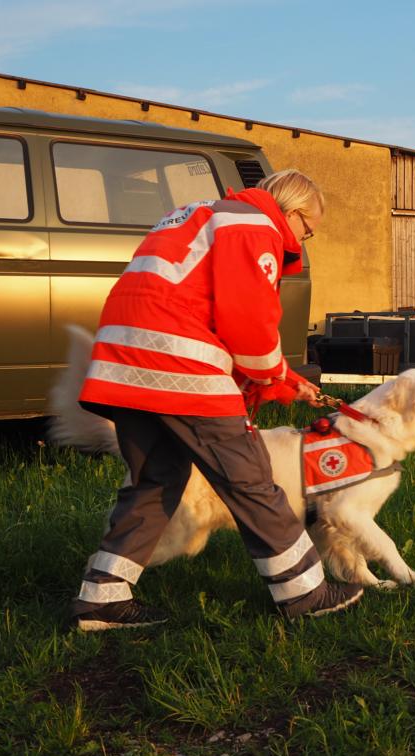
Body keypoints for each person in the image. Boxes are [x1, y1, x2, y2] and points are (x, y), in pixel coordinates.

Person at [70, 170, 363, 631]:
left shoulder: (198, 215)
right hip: (180, 367)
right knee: (251, 478)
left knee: (156, 480)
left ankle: (101, 598)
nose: (303, 242)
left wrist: (283, 379)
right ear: (292, 212)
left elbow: (191, 303)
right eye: (308, 231)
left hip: (124, 364)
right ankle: (305, 593)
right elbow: (248, 321)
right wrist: (273, 375)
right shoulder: (256, 226)